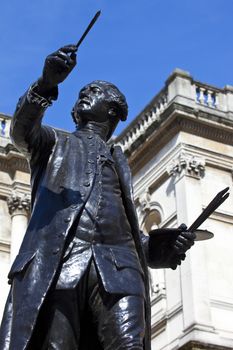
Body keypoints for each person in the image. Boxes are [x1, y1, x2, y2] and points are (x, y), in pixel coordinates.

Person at [0, 45, 195, 350]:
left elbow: (122, 229)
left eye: (95, 91)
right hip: (61, 267)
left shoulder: (121, 163)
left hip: (120, 271)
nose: (84, 94)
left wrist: (161, 247)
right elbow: (22, 132)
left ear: (114, 109)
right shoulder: (53, 144)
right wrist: (46, 83)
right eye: (81, 93)